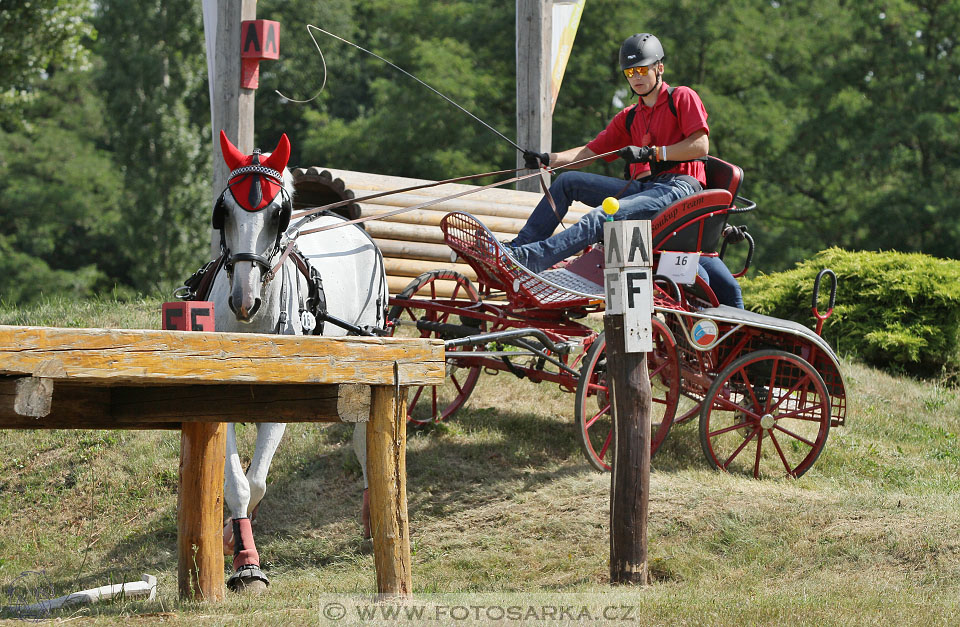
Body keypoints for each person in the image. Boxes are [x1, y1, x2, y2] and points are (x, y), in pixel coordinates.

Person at [509, 32, 743, 309]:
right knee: (568, 181)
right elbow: (589, 152)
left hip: (681, 190)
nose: (636, 77)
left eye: (642, 69)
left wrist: (653, 153)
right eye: (630, 72)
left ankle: (530, 260)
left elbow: (700, 145)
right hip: (651, 188)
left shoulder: (681, 97)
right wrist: (549, 159)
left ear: (659, 68)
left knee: (603, 217)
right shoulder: (630, 116)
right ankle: (515, 252)